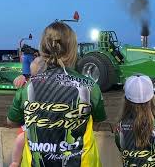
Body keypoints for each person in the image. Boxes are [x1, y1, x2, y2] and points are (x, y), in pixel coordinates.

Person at [7, 21, 106, 167]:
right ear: (72, 49)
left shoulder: (28, 87)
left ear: (43, 48)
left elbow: (11, 121)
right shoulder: (90, 86)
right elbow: (97, 120)